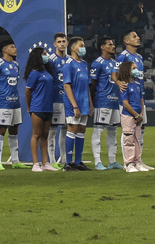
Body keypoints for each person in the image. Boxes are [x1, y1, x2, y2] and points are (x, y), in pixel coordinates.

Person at [0, 38, 27, 169]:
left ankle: (15, 161)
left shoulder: (16, 65)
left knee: (14, 130)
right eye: (12, 47)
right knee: (1, 130)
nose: (15, 48)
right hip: (3, 103)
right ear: (5, 50)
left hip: (15, 102)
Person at [90, 37, 123, 170]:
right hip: (102, 101)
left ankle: (112, 161)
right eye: (110, 44)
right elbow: (92, 84)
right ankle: (98, 162)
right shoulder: (97, 63)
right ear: (102, 47)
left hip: (115, 102)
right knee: (98, 131)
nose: (113, 46)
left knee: (113, 132)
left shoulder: (115, 63)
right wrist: (93, 102)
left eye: (113, 44)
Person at [61, 36, 91, 170]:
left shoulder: (84, 64)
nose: (83, 48)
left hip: (84, 102)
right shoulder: (68, 64)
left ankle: (78, 162)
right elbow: (67, 86)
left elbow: (87, 86)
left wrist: (90, 104)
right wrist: (75, 106)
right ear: (73, 48)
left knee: (81, 130)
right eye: (81, 45)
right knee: (72, 128)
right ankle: (68, 163)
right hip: (74, 103)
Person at [24, 46, 56, 172]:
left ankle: (45, 162)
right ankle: (35, 163)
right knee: (36, 134)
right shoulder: (34, 73)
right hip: (37, 107)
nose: (46, 55)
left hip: (48, 107)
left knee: (45, 134)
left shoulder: (47, 72)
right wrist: (29, 107)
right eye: (43, 54)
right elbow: (28, 91)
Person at [119, 60, 148, 172]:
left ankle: (137, 162)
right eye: (134, 68)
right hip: (128, 116)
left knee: (137, 139)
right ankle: (129, 163)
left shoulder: (137, 84)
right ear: (127, 70)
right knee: (129, 139)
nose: (136, 70)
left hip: (137, 116)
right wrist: (136, 115)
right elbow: (125, 104)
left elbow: (141, 100)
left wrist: (140, 114)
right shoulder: (124, 85)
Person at [47, 32, 70, 168]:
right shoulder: (51, 60)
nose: (62, 44)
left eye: (64, 41)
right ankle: (52, 160)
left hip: (67, 100)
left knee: (66, 129)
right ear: (54, 44)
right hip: (55, 99)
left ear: (67, 43)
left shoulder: (70, 60)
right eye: (59, 42)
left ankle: (63, 158)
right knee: (53, 130)